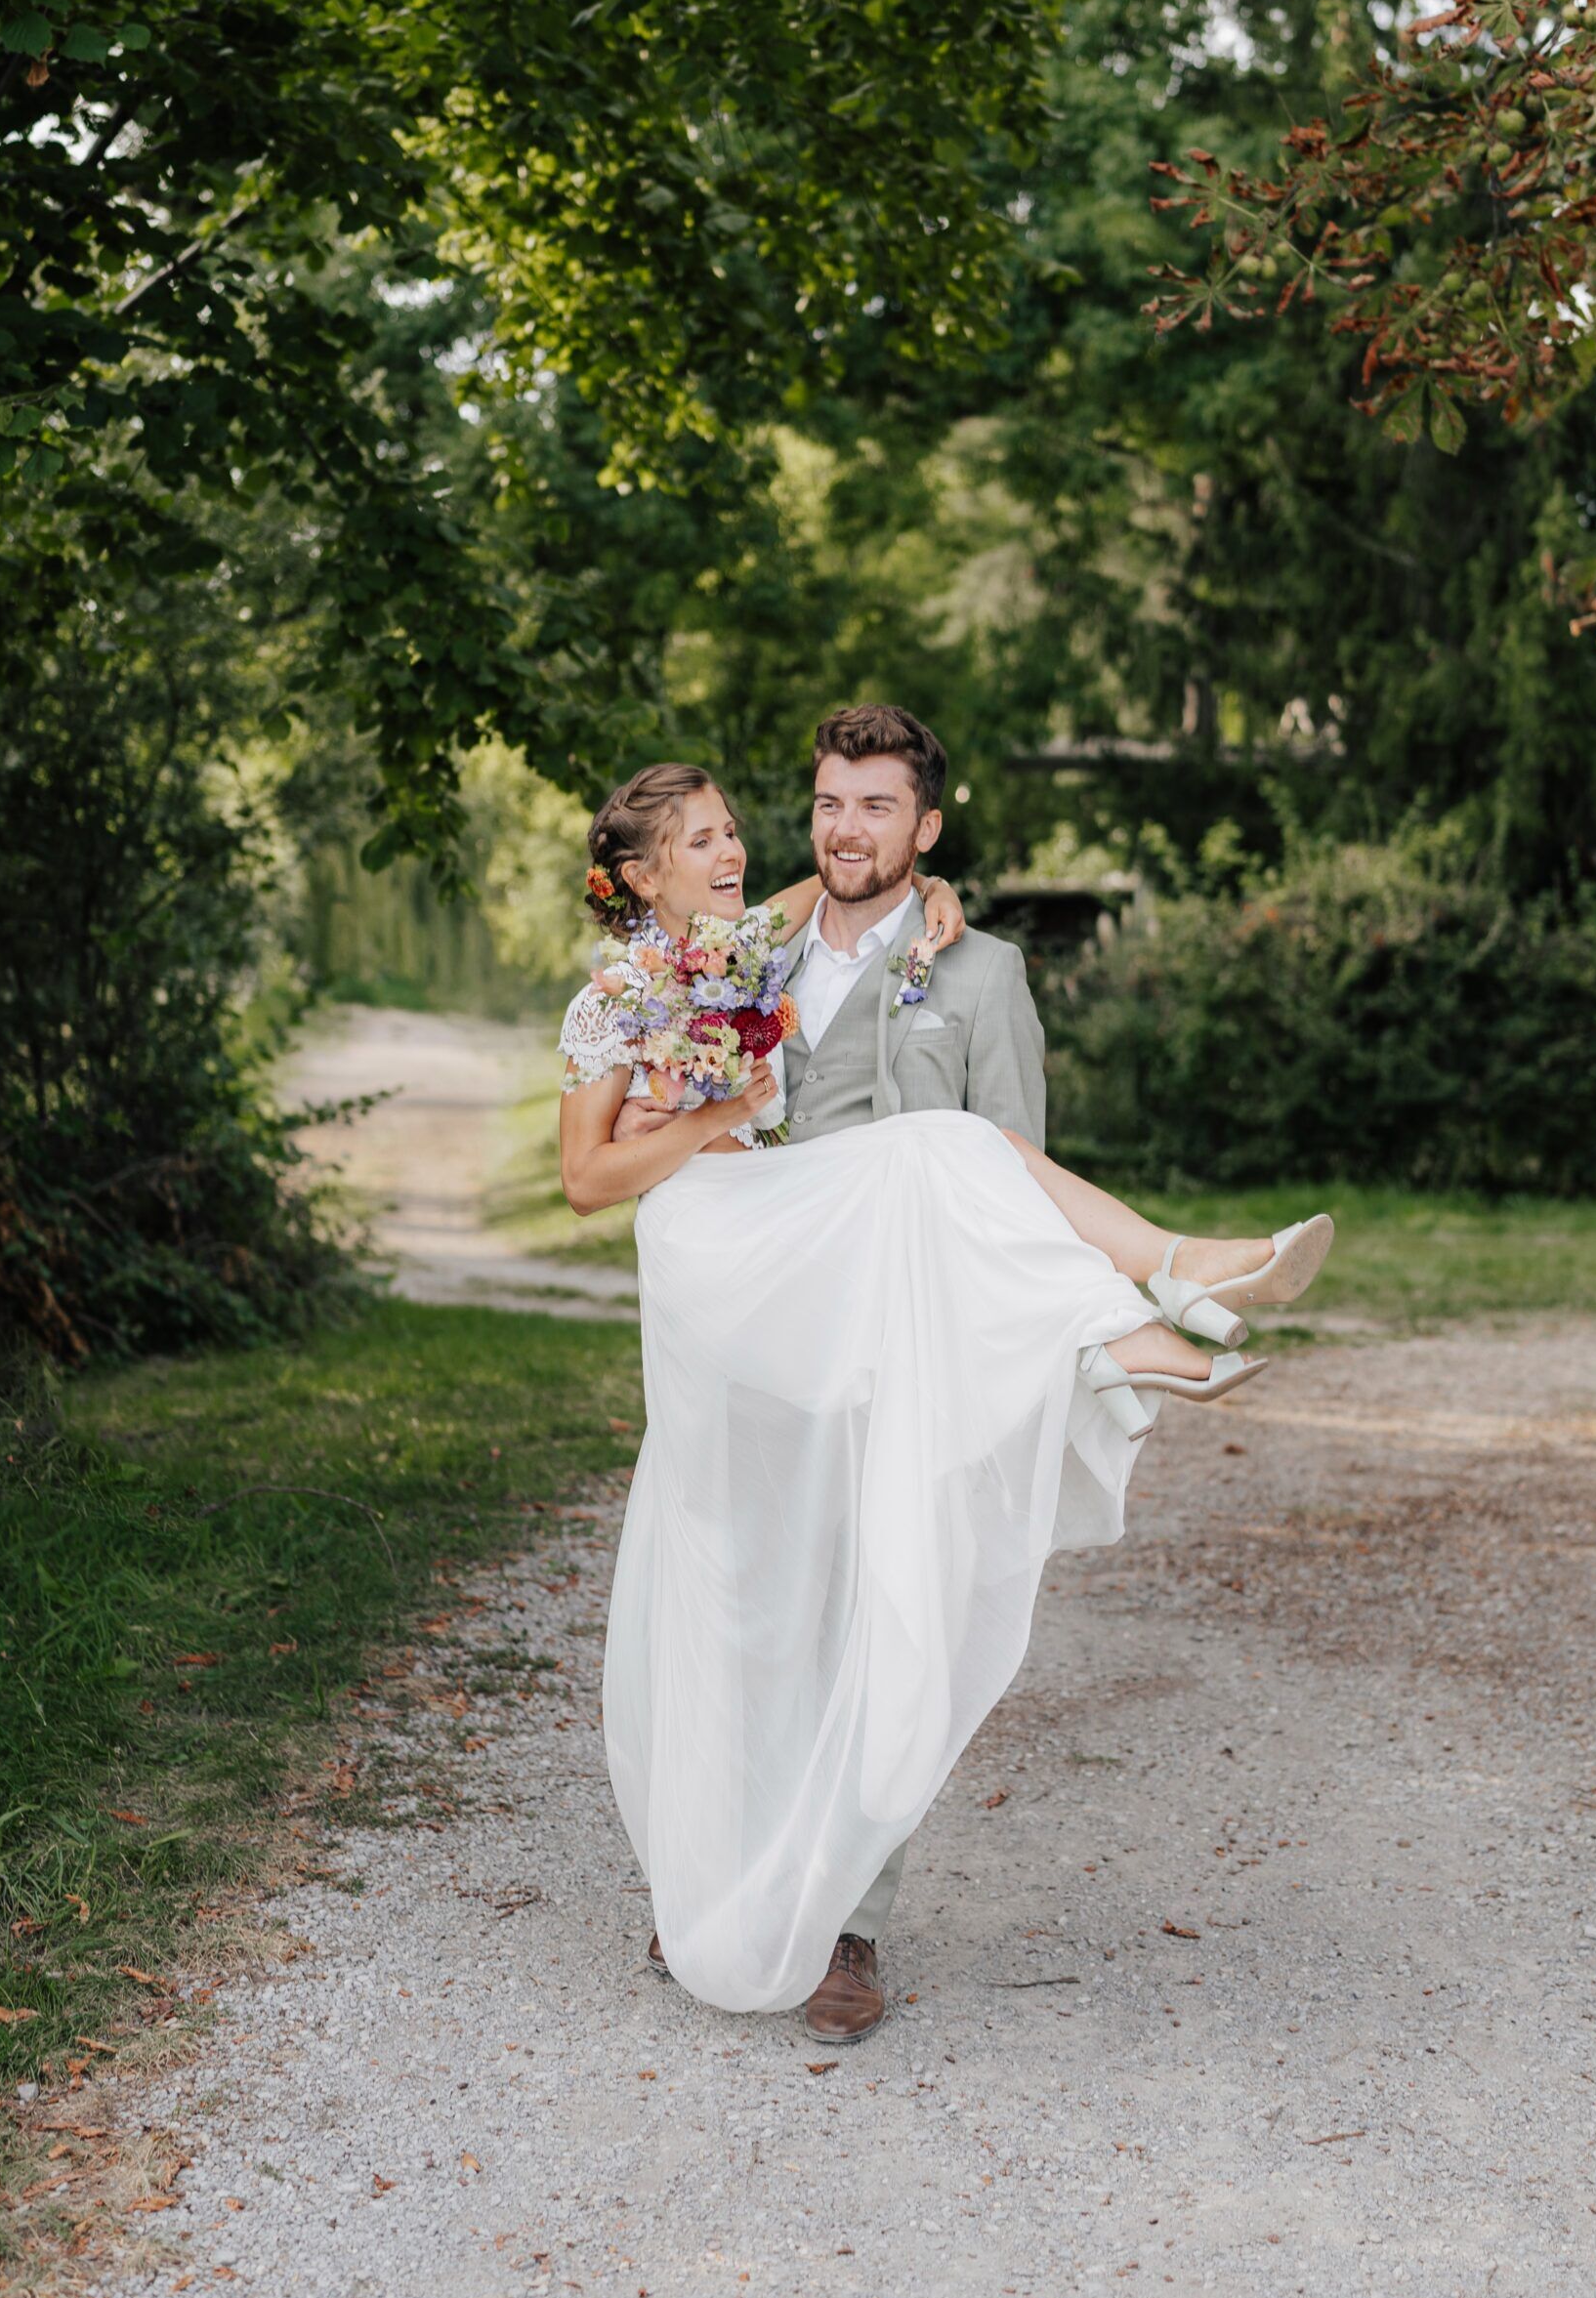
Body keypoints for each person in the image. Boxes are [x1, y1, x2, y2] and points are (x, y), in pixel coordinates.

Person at [559, 720, 1331, 2039]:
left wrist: (935, 911)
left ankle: (850, 1926)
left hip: (892, 1321)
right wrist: (710, 1113)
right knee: (744, 1615)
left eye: (873, 806)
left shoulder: (973, 969)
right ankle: (1158, 1297)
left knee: (885, 1610)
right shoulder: (736, 951)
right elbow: (595, 1162)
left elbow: (1008, 1170)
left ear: (926, 828)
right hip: (758, 1299)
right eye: (818, 805)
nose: (824, 829)